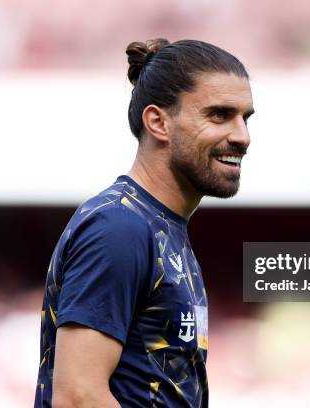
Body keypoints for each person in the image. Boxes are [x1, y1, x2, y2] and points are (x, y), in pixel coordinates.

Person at [34, 38, 254, 408]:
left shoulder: (159, 227)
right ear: (158, 122)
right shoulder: (119, 227)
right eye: (219, 115)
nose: (242, 137)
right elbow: (77, 397)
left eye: (245, 118)